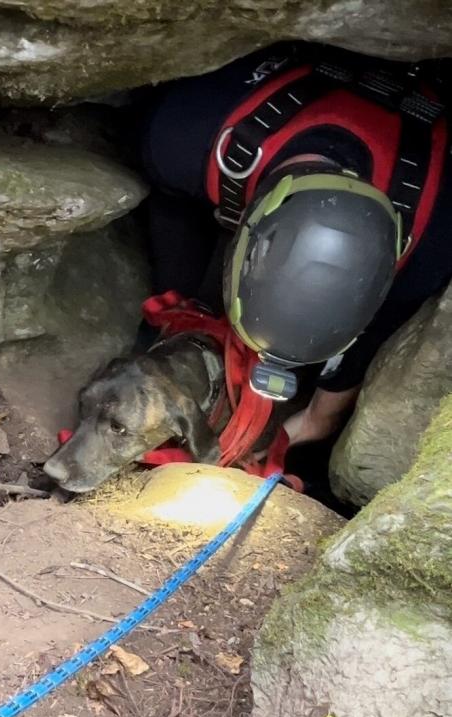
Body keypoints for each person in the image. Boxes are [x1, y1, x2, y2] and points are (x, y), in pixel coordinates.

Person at [138, 41, 452, 448]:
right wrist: (181, 302)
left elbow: (362, 352)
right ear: (244, 232)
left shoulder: (431, 248)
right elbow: (169, 200)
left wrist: (298, 429)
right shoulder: (184, 132)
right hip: (312, 67)